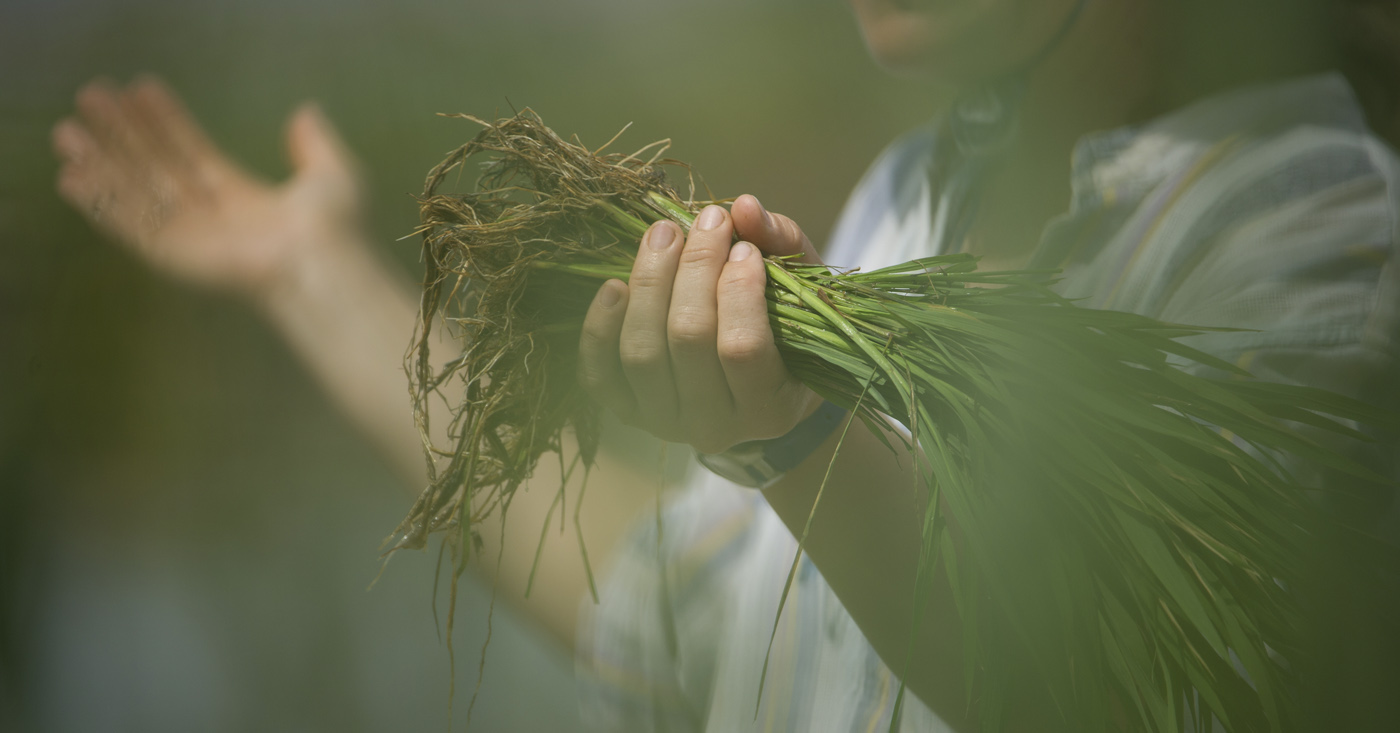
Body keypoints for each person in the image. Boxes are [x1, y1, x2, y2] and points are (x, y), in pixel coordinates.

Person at [51, 0, 1400, 730]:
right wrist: (312, 273)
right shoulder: (915, 197)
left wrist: (803, 446)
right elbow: (658, 597)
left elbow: (1131, 691)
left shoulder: (1319, 239)